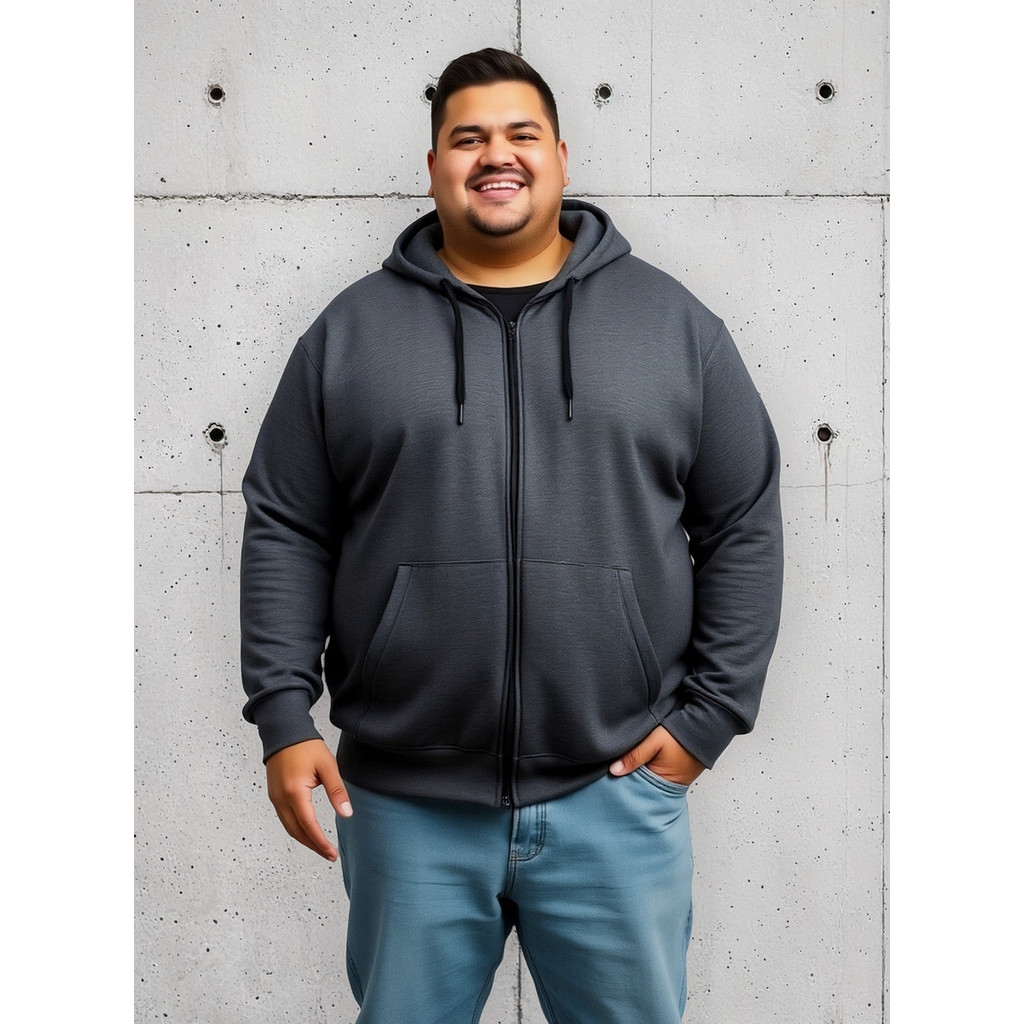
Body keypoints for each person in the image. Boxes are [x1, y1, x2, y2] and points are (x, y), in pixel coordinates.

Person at [240, 47, 783, 1024]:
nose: (497, 155)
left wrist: (705, 722)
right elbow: (287, 522)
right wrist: (284, 713)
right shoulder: (349, 334)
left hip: (614, 794)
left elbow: (742, 520)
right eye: (469, 137)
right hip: (404, 804)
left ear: (561, 158)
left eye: (521, 134)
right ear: (434, 167)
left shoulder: (673, 327)